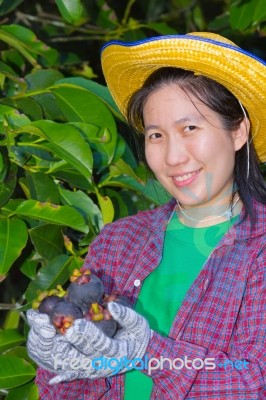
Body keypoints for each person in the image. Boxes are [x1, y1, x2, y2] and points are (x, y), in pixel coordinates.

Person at [26, 32, 266, 399]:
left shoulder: (259, 251)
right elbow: (73, 381)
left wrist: (147, 352)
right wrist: (57, 362)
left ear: (238, 131)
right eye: (156, 135)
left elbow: (253, 383)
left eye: (190, 128)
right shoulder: (119, 241)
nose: (172, 157)